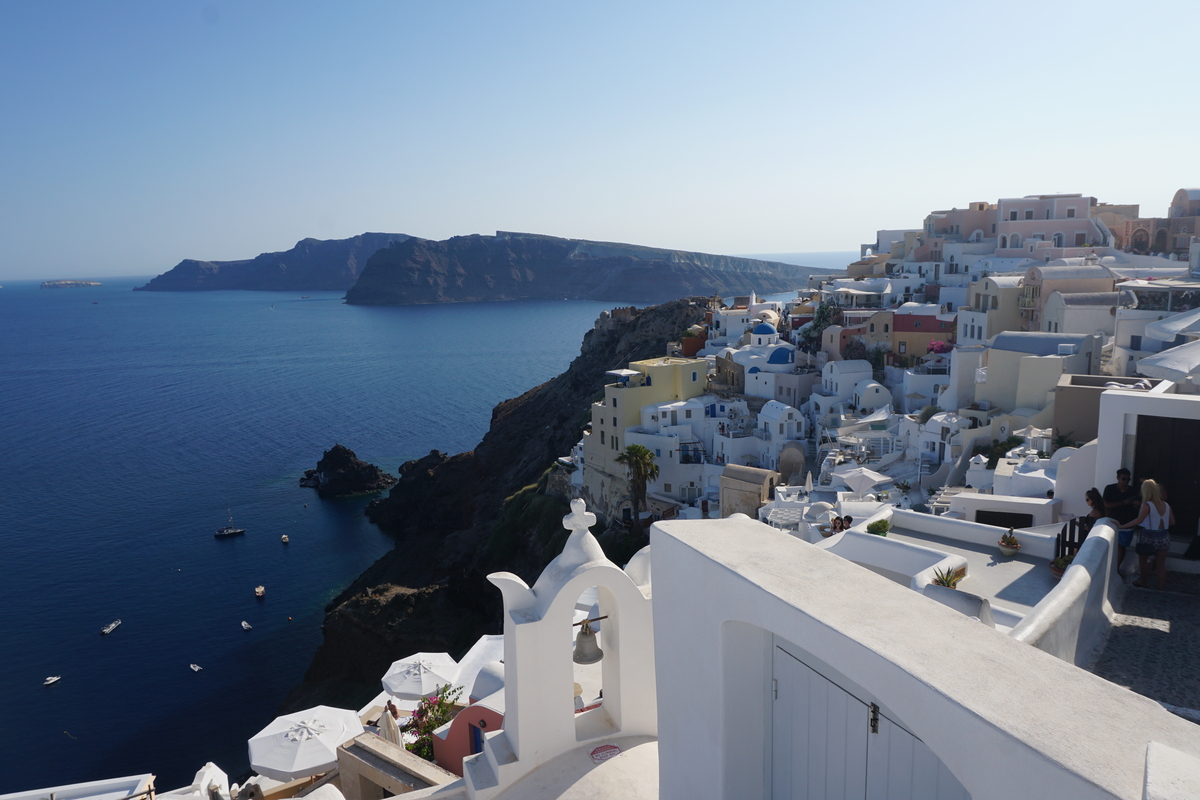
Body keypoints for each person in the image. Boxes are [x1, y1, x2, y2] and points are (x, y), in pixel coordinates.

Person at [1118, 478, 1175, 590]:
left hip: (1149, 535)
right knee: (1161, 564)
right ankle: (1160, 588)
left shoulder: (1147, 505)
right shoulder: (1166, 505)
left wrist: (1122, 526)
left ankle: (1144, 582)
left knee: (1143, 561)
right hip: (1164, 536)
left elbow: (1139, 520)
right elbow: (1172, 522)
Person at [1103, 468, 1140, 569]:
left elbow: (1137, 504)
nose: (1126, 481)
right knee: (1111, 545)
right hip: (1113, 521)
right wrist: (1123, 502)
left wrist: (1136, 505)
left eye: (1128, 479)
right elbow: (1106, 504)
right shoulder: (1110, 489)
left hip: (1128, 522)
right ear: (1117, 478)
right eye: (1123, 479)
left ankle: (1116, 568)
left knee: (1122, 546)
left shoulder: (1133, 490)